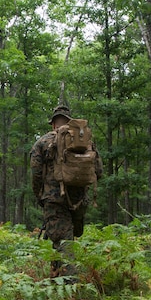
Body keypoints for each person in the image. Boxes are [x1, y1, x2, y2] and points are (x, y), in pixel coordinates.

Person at [30, 105, 103, 277]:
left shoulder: (42, 142)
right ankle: (57, 278)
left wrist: (40, 196)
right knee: (65, 241)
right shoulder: (85, 142)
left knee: (63, 243)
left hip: (54, 201)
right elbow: (98, 171)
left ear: (53, 124)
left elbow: (36, 173)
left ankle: (70, 290)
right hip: (79, 200)